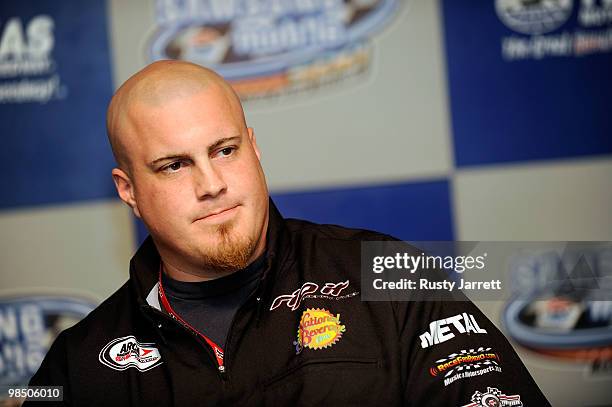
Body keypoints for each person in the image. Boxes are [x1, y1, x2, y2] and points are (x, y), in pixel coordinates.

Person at [26, 60, 550, 406]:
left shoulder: (389, 273)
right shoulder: (78, 363)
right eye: (173, 166)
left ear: (253, 148)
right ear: (129, 191)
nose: (211, 185)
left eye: (225, 150)